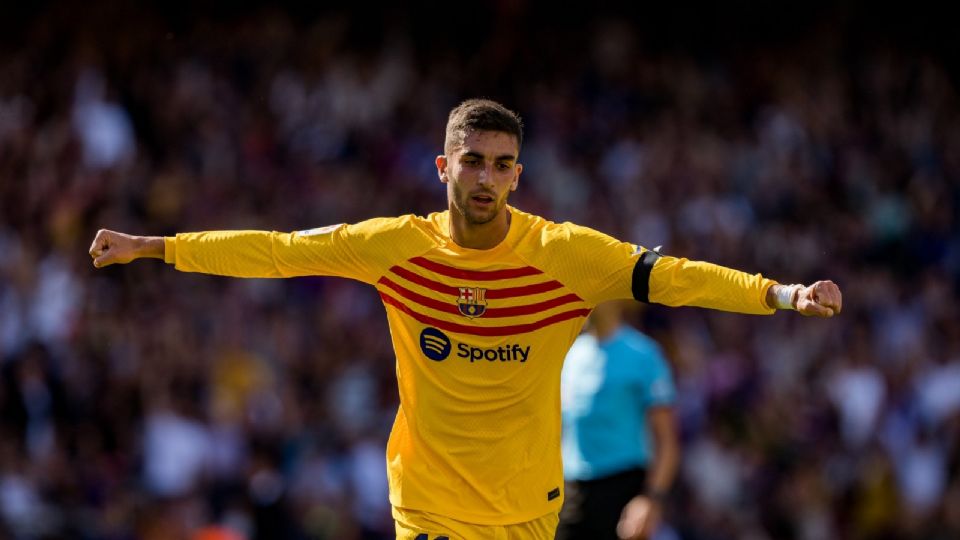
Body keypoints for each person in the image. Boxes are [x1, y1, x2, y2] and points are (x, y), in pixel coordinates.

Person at [88, 98, 843, 540]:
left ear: (519, 173)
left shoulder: (564, 254)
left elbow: (673, 278)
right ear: (443, 167)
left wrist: (780, 294)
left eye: (501, 163)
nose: (487, 177)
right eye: (472, 161)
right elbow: (281, 252)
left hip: (526, 510)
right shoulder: (396, 247)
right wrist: (158, 246)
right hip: (427, 504)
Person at [558, 301, 678, 540]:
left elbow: (667, 443)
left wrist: (650, 500)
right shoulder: (567, 356)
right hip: (570, 494)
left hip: (623, 491)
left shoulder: (644, 355)